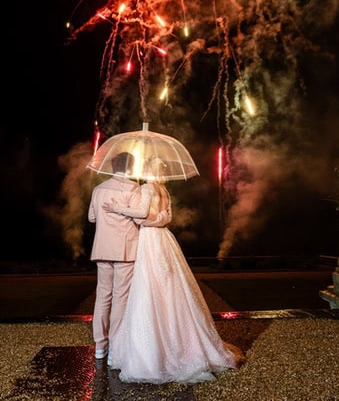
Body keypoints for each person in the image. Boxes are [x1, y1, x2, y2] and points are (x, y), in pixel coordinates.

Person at [103, 161, 244, 384]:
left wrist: (118, 209)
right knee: (170, 288)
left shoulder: (147, 188)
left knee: (149, 288)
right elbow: (167, 218)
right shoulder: (164, 190)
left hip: (150, 240)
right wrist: (156, 219)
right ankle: (182, 342)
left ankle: (156, 353)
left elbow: (140, 214)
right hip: (165, 239)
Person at [87, 151, 149, 364]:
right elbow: (140, 219)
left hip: (103, 248)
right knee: (121, 298)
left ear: (113, 167)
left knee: (103, 296)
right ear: (130, 168)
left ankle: (100, 347)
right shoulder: (134, 188)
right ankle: (116, 346)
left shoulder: (98, 189)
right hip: (125, 250)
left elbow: (92, 217)